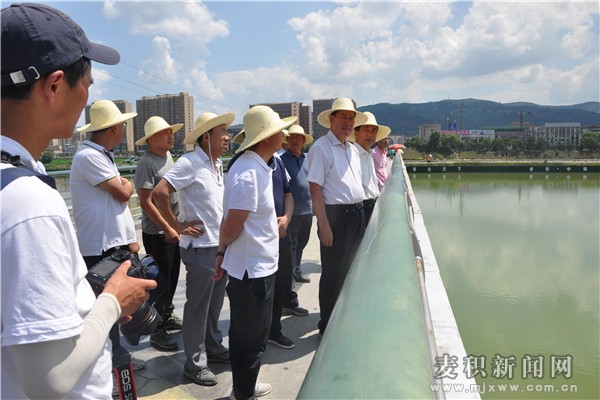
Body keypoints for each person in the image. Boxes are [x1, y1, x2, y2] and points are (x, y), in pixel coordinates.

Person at [0, 3, 155, 399]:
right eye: (86, 82)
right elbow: (50, 381)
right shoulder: (27, 202)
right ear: (54, 86)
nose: (86, 94)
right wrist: (112, 303)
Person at [213, 105, 296, 400]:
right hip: (251, 272)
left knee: (255, 335)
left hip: (259, 266)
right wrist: (222, 252)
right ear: (265, 138)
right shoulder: (249, 173)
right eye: (278, 131)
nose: (284, 135)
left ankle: (244, 385)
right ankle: (243, 393)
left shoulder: (263, 165)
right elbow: (231, 225)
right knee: (249, 338)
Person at [153, 111, 233, 386]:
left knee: (214, 304)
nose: (227, 136)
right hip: (200, 248)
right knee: (198, 307)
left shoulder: (217, 163)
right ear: (206, 136)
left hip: (219, 246)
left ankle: (213, 347)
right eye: (222, 131)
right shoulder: (189, 162)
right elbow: (160, 192)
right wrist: (175, 225)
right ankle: (195, 364)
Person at [70, 99, 145, 376]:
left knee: (118, 306)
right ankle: (111, 366)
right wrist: (126, 183)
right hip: (99, 247)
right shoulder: (89, 156)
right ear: (113, 128)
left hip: (112, 244)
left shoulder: (102, 155)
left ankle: (117, 358)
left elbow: (116, 202)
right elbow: (124, 193)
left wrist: (129, 240)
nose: (124, 129)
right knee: (105, 307)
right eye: (122, 125)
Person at [306, 97, 368, 336]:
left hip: (356, 213)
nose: (348, 122)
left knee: (350, 270)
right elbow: (315, 189)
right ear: (331, 119)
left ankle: (343, 318)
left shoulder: (352, 149)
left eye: (351, 118)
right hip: (336, 216)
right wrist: (324, 226)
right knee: (332, 274)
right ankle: (327, 325)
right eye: (343, 117)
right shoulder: (321, 148)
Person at [133, 116, 184, 351]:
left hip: (171, 229)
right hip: (157, 232)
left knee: (173, 277)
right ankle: (156, 330)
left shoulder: (168, 157)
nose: (170, 135)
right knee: (159, 281)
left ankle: (167, 315)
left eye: (171, 131)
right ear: (152, 139)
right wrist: (166, 227)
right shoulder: (147, 162)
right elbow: (145, 201)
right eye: (165, 133)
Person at [280, 124, 313, 284]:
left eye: (298, 137)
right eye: (291, 137)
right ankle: (291, 273)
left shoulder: (308, 159)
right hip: (292, 212)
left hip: (308, 210)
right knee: (290, 245)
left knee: (302, 242)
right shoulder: (281, 161)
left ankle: (296, 269)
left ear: (303, 141)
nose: (295, 140)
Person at [350, 112, 391, 226]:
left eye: (373, 131)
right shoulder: (351, 155)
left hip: (374, 204)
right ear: (356, 133)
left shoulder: (369, 154)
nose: (370, 134)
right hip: (361, 207)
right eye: (366, 130)